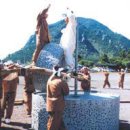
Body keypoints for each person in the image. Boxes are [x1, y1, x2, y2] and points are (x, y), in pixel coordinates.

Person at [46, 65, 69, 130]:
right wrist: (65, 80)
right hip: (58, 106)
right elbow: (66, 92)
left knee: (58, 123)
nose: (65, 73)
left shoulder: (50, 79)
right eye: (63, 72)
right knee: (53, 125)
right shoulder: (61, 82)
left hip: (50, 105)